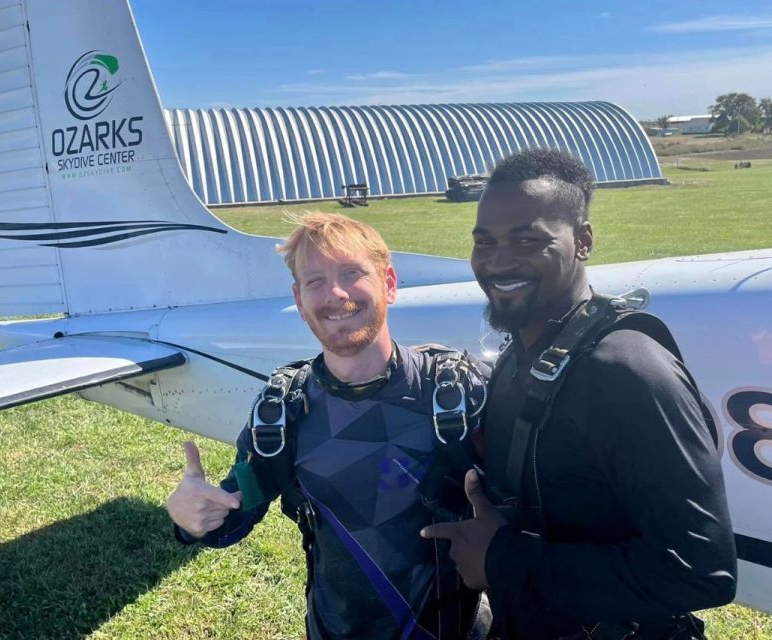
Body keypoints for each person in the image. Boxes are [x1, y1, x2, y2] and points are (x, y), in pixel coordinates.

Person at [422, 148, 737, 640]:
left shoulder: (624, 371)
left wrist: (503, 557)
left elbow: (701, 571)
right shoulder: (521, 354)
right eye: (484, 243)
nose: (498, 262)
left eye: (528, 240)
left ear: (583, 240)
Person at [167, 212, 489, 640]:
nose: (335, 293)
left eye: (351, 272)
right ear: (299, 301)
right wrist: (194, 518)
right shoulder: (283, 408)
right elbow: (235, 510)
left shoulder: (454, 393)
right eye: (315, 281)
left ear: (389, 283)